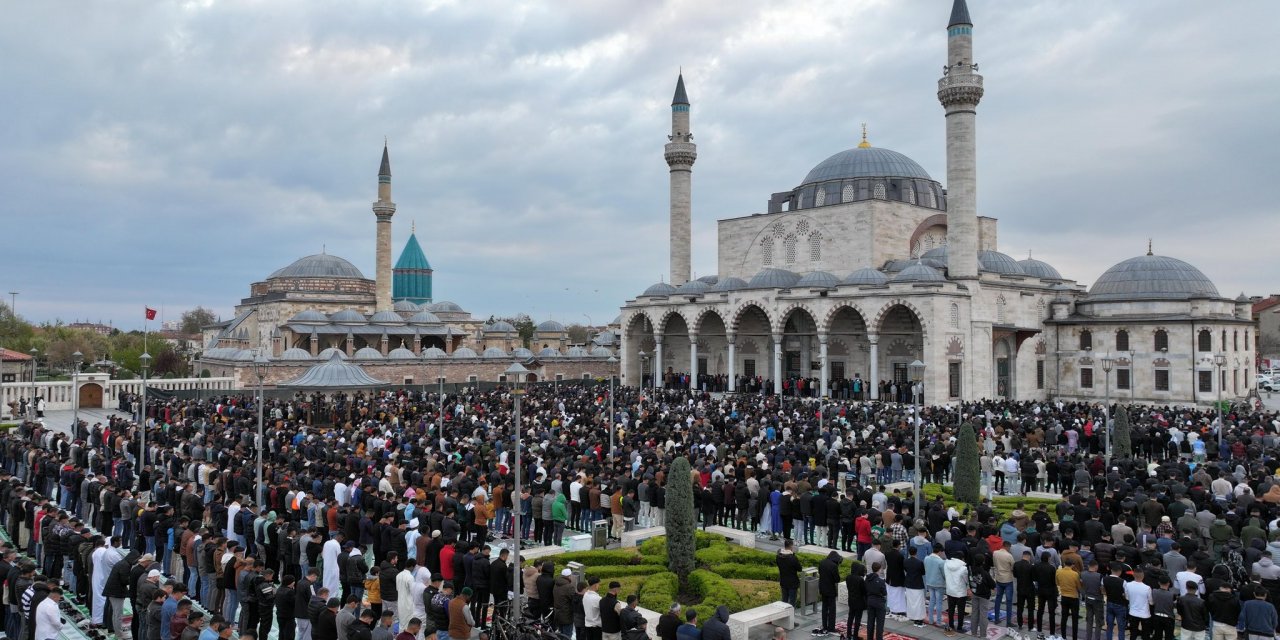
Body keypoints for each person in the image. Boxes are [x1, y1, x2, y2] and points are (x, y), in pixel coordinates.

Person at [815, 550, 842, 636]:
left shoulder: (822, 562)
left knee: (824, 607)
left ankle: (825, 626)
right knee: (832, 609)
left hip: (822, 589)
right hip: (830, 590)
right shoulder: (834, 566)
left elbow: (820, 573)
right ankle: (831, 627)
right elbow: (837, 579)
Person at [943, 551, 969, 637]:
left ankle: (951, 624)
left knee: (951, 609)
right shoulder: (963, 568)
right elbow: (966, 580)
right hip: (960, 592)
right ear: (962, 558)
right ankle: (960, 627)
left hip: (950, 590)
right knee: (961, 610)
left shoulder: (946, 564)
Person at [1123, 567, 1152, 640]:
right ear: (1143, 576)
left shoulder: (1128, 585)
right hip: (1145, 614)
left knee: (1133, 633)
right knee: (1146, 634)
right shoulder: (1147, 588)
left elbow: (1127, 597)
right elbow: (1151, 602)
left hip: (1132, 612)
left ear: (1133, 575)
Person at [865, 562, 888, 640]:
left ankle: (869, 638)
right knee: (880, 624)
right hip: (879, 603)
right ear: (879, 569)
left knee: (870, 622)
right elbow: (884, 593)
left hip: (870, 602)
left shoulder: (867, 578)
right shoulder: (881, 581)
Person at [777, 539, 802, 608]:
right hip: (792, 583)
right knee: (792, 603)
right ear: (791, 546)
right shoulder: (792, 558)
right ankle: (791, 618)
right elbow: (800, 568)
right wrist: (793, 554)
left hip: (783, 581)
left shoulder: (778, 556)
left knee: (784, 601)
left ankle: (785, 617)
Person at [845, 563, 867, 640]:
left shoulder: (848, 577)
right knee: (857, 619)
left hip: (851, 600)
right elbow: (864, 591)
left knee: (850, 617)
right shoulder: (860, 579)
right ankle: (855, 636)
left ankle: (848, 634)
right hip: (859, 602)